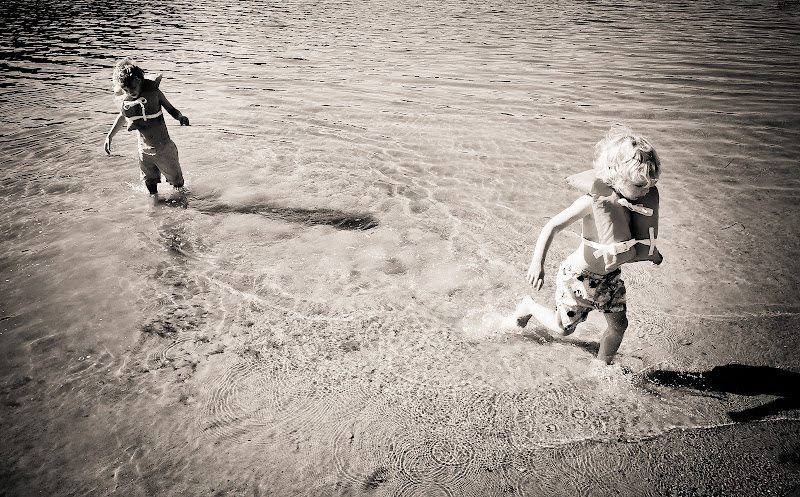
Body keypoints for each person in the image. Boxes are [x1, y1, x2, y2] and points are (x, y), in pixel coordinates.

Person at [513, 129, 664, 365]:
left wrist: (652, 254)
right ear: (616, 177)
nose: (647, 191)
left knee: (619, 326)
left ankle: (602, 366)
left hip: (610, 280)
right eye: (640, 185)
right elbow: (552, 226)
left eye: (651, 184)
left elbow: (626, 247)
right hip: (578, 279)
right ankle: (529, 306)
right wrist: (537, 264)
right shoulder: (592, 202)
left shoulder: (635, 205)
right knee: (563, 329)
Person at [104, 58, 190, 195]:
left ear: (139, 81)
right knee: (150, 184)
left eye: (133, 88)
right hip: (143, 151)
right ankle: (154, 206)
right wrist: (110, 136)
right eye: (126, 90)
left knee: (178, 183)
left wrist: (180, 117)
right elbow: (122, 116)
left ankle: (183, 203)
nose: (130, 92)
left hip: (164, 149)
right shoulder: (127, 101)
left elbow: (171, 109)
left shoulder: (154, 93)